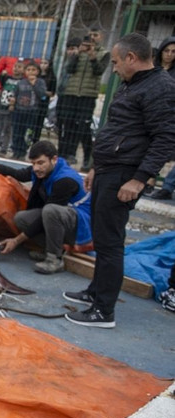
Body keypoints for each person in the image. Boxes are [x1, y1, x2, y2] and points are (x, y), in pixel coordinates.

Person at [64, 33, 175, 328]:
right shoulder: (133, 85)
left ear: (131, 58)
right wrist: (97, 167)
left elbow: (165, 138)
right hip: (109, 170)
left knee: (111, 243)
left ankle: (104, 311)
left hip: (125, 175)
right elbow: (118, 128)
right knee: (102, 238)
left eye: (115, 61)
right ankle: (95, 292)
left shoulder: (160, 88)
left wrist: (139, 179)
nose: (112, 68)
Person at [0, 141, 91, 274]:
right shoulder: (45, 169)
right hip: (64, 219)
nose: (36, 168)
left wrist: (16, 241)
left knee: (50, 210)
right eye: (33, 163)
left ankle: (55, 259)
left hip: (82, 227)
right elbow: (19, 174)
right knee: (21, 218)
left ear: (54, 159)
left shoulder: (65, 181)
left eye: (40, 163)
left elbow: (46, 217)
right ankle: (51, 248)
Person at [56, 29, 110, 169]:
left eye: (95, 35)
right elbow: (69, 69)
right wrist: (78, 53)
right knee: (67, 125)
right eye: (90, 35)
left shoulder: (104, 53)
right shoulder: (78, 52)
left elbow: (99, 71)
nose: (92, 38)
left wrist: (92, 56)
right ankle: (65, 156)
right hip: (71, 92)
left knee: (83, 127)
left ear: (101, 37)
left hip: (88, 94)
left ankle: (87, 158)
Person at [146, 36, 175, 200]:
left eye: (173, 52)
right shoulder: (153, 69)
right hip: (152, 113)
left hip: (170, 115)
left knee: (162, 149)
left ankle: (165, 186)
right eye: (167, 51)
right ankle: (148, 180)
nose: (169, 55)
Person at [10, 60, 47, 160]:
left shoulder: (40, 82)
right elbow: (15, 94)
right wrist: (12, 103)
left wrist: (34, 84)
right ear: (25, 72)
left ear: (37, 72)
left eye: (33, 70)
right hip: (19, 110)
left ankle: (23, 151)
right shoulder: (21, 82)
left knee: (28, 133)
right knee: (17, 131)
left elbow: (43, 96)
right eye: (28, 70)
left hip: (32, 111)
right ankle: (15, 151)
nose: (31, 72)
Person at [0, 59, 24, 154]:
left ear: (23, 70)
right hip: (1, 106)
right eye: (15, 66)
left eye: (19, 67)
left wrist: (14, 104)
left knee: (7, 129)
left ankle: (4, 148)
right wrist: (3, 74)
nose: (16, 69)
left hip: (10, 109)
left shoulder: (22, 82)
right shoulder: (7, 78)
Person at [34, 58, 57, 143]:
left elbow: (52, 93)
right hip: (33, 103)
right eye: (41, 63)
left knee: (38, 125)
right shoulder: (36, 75)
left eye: (45, 63)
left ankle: (35, 141)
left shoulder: (52, 77)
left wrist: (42, 91)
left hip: (43, 103)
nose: (43, 65)